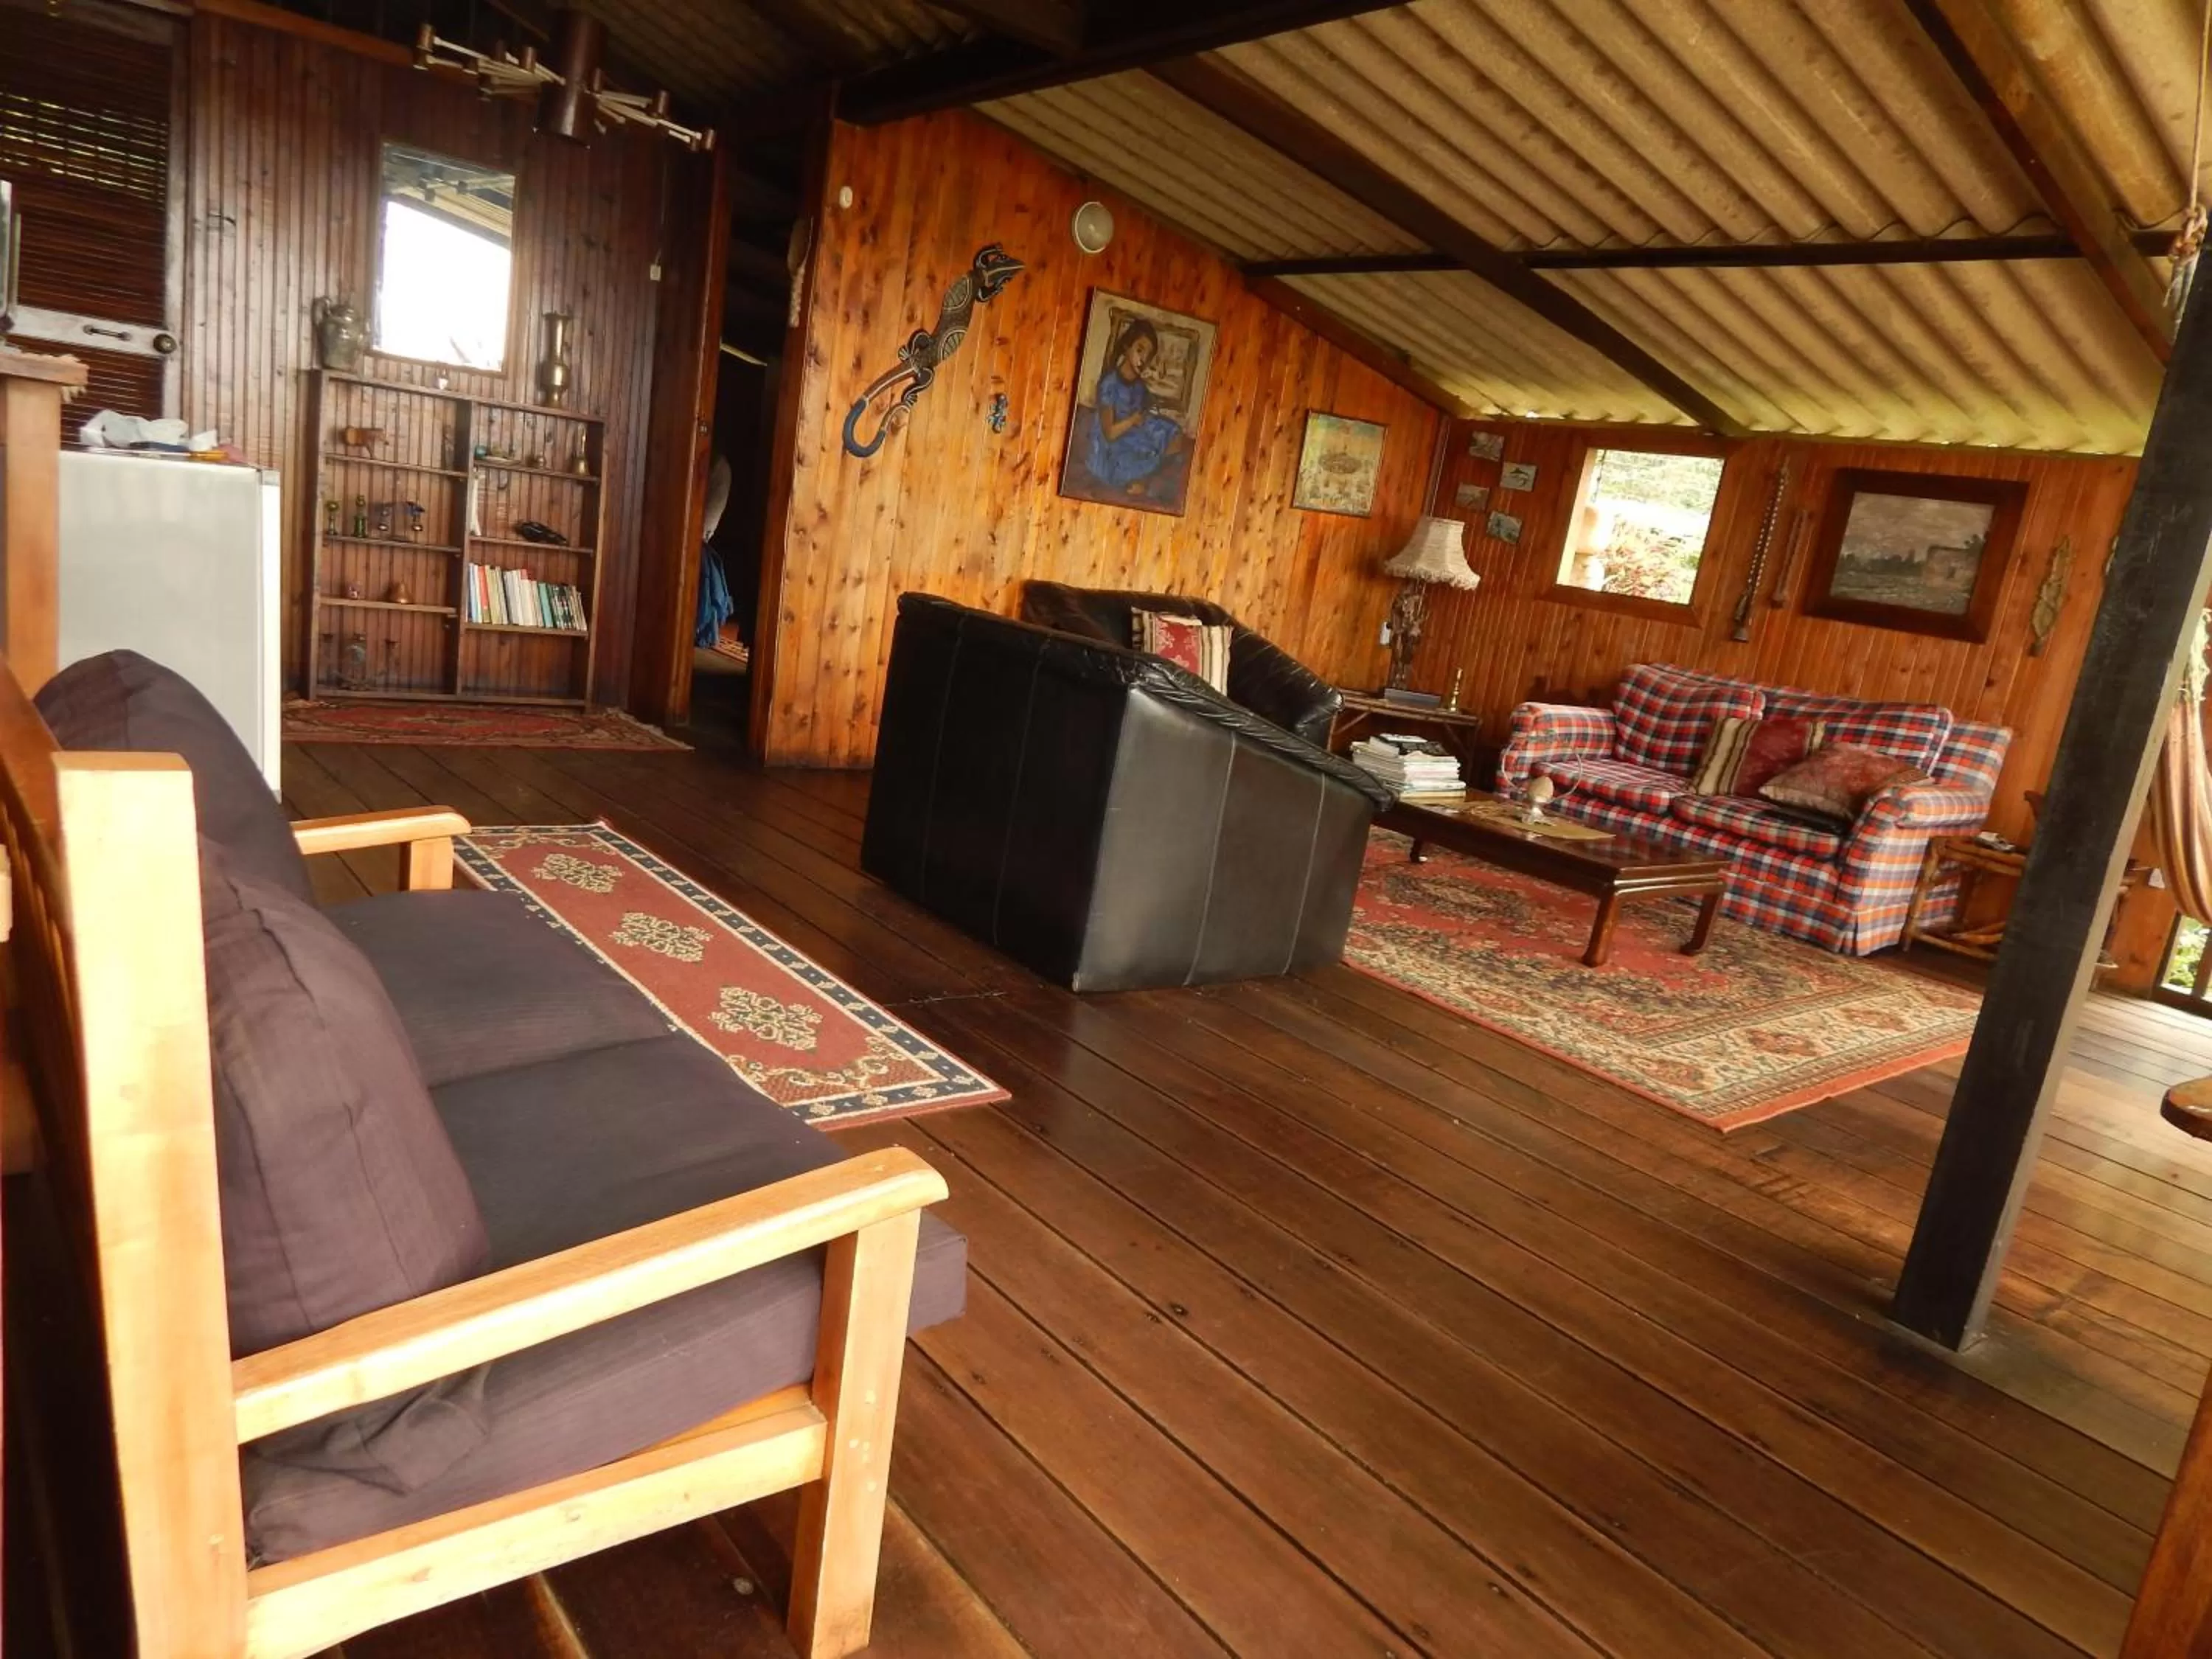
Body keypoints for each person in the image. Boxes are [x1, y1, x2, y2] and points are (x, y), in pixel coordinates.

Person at [1081, 318, 1191, 499]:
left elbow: (1142, 415)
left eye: (1149, 355)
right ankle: (1143, 481)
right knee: (1145, 455)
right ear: (1126, 347)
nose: (1144, 359)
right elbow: (1109, 433)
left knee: (1172, 431)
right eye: (1140, 350)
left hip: (1131, 433)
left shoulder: (1139, 386)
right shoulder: (1110, 384)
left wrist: (1146, 417)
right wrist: (1133, 420)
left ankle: (1148, 478)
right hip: (1110, 446)